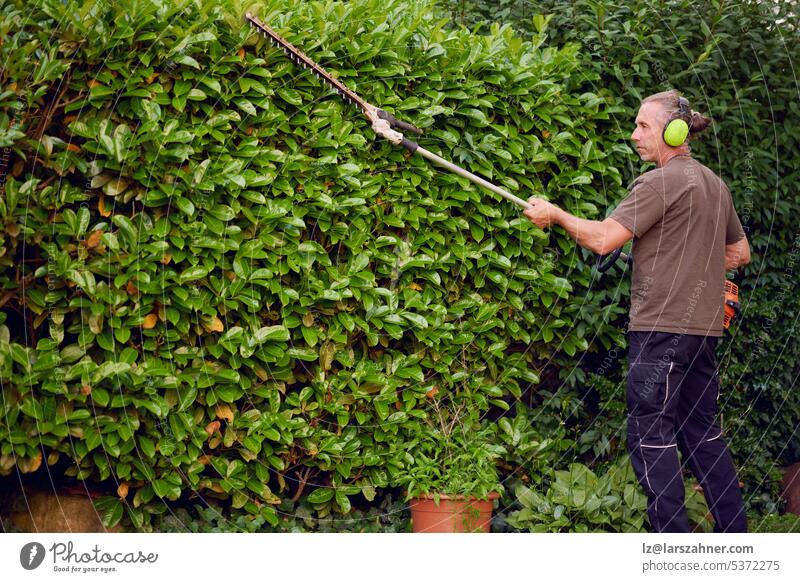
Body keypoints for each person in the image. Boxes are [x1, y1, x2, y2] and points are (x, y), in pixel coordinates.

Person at [523, 90, 751, 533]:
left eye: (644, 126)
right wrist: (688, 256)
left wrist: (555, 215)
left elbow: (604, 238)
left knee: (650, 435)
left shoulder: (659, 182)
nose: (634, 135)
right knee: (701, 433)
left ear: (675, 131)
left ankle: (672, 546)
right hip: (703, 332)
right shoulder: (714, 184)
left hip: (662, 330)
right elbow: (738, 252)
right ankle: (734, 538)